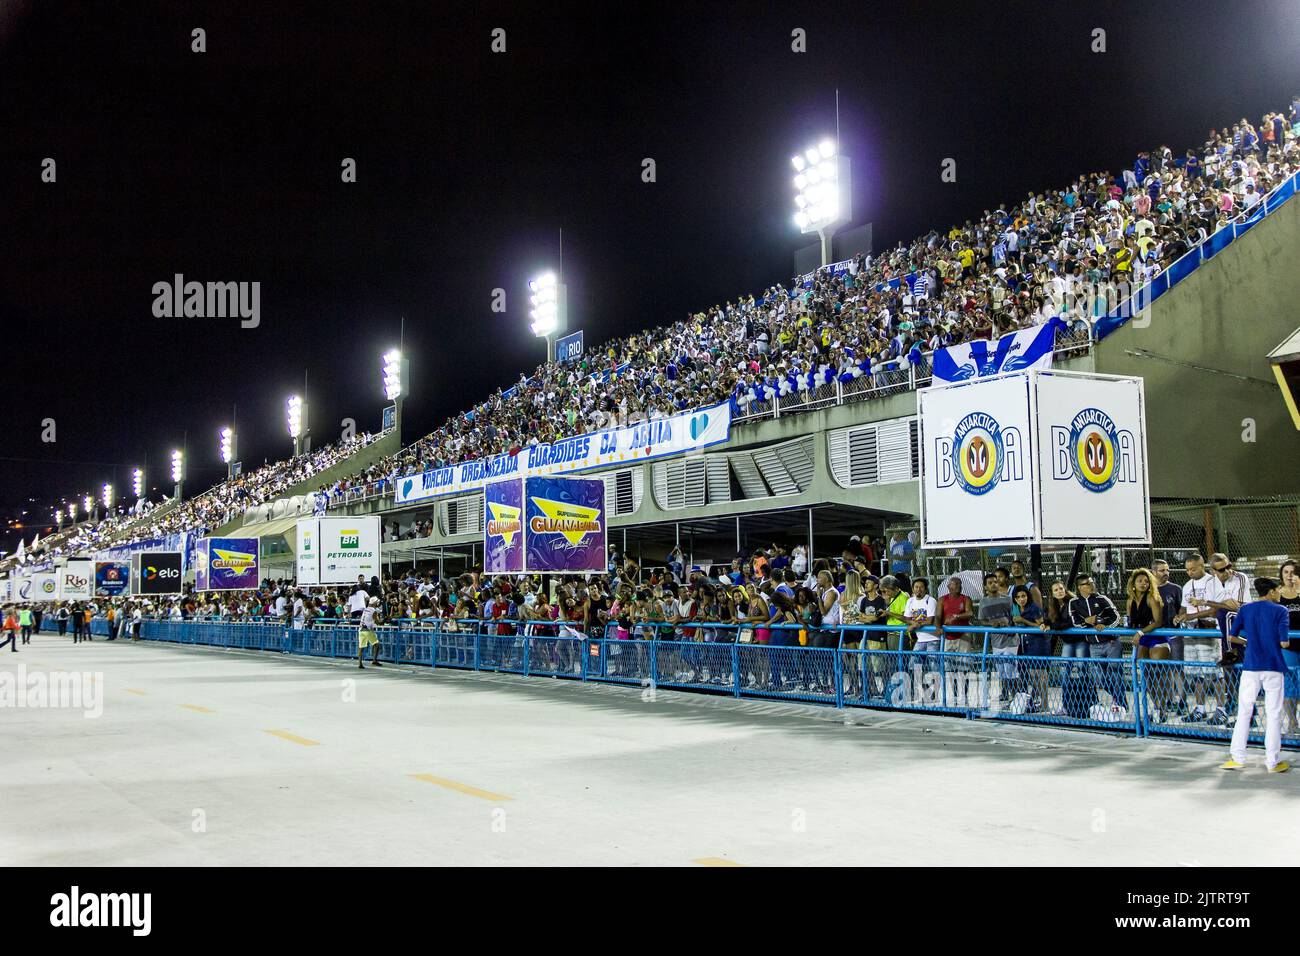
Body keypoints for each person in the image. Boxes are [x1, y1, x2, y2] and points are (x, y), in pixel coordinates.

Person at [1220, 578, 1291, 773]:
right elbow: (1284, 643)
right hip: (1273, 665)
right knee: (1274, 713)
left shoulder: (1245, 609)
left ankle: (1237, 757)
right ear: (1271, 592)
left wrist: (1249, 642)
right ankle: (1272, 761)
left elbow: (1232, 637)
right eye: (1277, 590)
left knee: (1244, 711)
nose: (1279, 593)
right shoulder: (1281, 611)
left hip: (1251, 666)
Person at [1068, 574, 1126, 712]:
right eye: (1087, 583)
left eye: (1091, 582)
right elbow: (1075, 622)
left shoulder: (1102, 599)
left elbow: (1116, 618)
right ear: (1080, 587)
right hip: (1093, 645)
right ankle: (1119, 698)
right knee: (1099, 678)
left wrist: (1104, 625)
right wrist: (1087, 622)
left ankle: (1120, 704)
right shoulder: (1074, 602)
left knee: (1115, 673)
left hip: (1111, 642)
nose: (1091, 585)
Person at [1127, 568, 1170, 716]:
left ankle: (1162, 708)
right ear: (1133, 584)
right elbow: (1131, 622)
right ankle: (1157, 707)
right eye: (1139, 581)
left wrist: (1140, 632)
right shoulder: (1130, 601)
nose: (1143, 584)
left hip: (1156, 637)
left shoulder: (1152, 598)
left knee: (1158, 674)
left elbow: (1158, 622)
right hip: (1142, 639)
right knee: (1147, 675)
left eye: (1146, 581)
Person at [1277, 559, 1300, 736]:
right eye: (1286, 572)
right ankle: (1292, 722)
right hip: (1287, 645)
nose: (1289, 576)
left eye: (1293, 572)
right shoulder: (1277, 594)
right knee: (1289, 685)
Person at [357, 596, 382, 669]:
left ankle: (360, 663)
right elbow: (377, 621)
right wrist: (384, 620)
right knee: (376, 644)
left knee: (361, 647)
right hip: (368, 630)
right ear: (374, 603)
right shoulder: (373, 611)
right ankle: (374, 660)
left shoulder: (365, 609)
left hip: (361, 629)